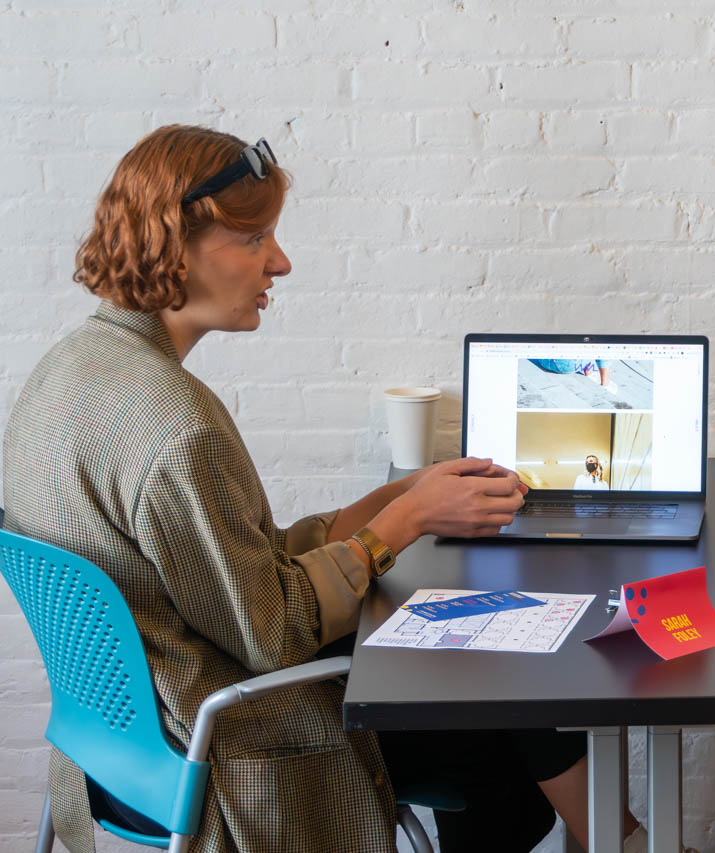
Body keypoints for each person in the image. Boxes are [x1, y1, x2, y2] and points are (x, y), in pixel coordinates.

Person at [1, 126, 631, 852]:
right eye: (254, 238)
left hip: (114, 747)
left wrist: (400, 502)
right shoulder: (178, 427)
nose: (281, 261)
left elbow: (221, 571)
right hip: (227, 743)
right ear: (176, 243)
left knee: (481, 691)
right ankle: (617, 835)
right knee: (495, 711)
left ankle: (611, 834)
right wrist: (402, 524)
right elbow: (272, 634)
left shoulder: (64, 374)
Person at [529, 357, 619, 394]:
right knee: (599, 343)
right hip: (568, 365)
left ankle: (587, 367)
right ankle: (605, 382)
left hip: (543, 359)